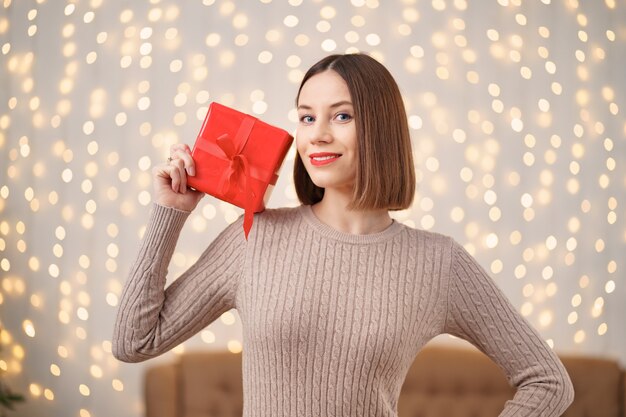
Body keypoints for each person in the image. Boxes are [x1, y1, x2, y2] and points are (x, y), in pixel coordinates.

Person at [112, 53, 574, 417]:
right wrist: (168, 213)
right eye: (307, 117)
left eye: (342, 116)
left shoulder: (438, 262)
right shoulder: (257, 238)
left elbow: (549, 382)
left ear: (380, 127)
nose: (317, 136)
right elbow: (134, 342)